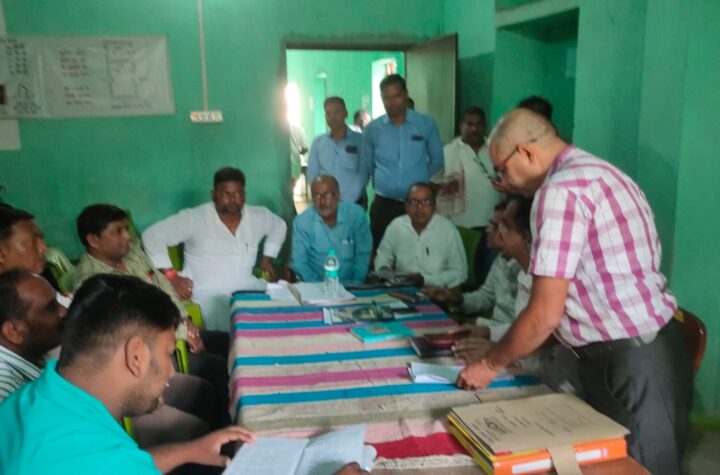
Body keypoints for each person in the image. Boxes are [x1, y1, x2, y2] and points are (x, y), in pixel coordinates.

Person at [457, 108, 693, 475]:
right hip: (636, 353)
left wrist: (490, 364)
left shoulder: (559, 192)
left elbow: (545, 312)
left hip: (629, 363)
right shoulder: (602, 172)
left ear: (527, 152)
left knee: (637, 467)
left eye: (502, 170)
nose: (503, 182)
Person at [0, 273, 369, 475]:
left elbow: (124, 462)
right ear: (135, 356)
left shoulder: (28, 401)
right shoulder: (93, 462)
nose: (171, 371)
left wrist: (185, 450)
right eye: (166, 355)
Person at [0, 207, 214, 449]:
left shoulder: (38, 286)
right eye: (32, 241)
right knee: (193, 427)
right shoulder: (8, 391)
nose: (43, 248)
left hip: (110, 382)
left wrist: (182, 320)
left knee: (203, 391)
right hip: (99, 403)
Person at [73, 204, 231, 430]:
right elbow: (130, 328)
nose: (127, 236)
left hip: (172, 330)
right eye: (117, 231)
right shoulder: (92, 281)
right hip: (147, 354)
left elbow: (163, 284)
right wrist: (182, 332)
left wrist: (184, 319)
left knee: (228, 343)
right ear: (93, 240)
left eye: (126, 229)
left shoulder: (133, 254)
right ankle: (220, 432)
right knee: (214, 369)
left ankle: (223, 422)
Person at [142, 167, 287, 331]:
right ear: (214, 195)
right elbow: (151, 236)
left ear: (244, 195)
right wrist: (172, 276)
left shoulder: (258, 216)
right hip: (205, 293)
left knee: (278, 314)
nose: (233, 199)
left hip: (246, 286)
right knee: (228, 326)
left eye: (238, 194)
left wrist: (267, 258)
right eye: (226, 194)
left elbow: (279, 226)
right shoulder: (194, 218)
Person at [362, 74, 444, 248]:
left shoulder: (426, 124)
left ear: (406, 95)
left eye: (397, 96)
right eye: (387, 97)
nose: (392, 102)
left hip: (417, 206)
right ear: (381, 98)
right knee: (381, 252)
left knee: (416, 251)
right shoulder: (372, 129)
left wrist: (421, 181)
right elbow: (367, 165)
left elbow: (437, 161)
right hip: (384, 205)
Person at [423, 200, 521, 336]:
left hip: (507, 338)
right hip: (493, 332)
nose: (487, 230)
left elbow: (520, 328)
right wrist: (456, 298)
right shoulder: (501, 259)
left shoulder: (525, 269)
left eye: (495, 226)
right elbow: (485, 297)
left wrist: (480, 324)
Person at [432, 106, 502, 284]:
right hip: (459, 225)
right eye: (469, 124)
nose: (474, 129)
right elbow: (433, 184)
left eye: (479, 124)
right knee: (461, 276)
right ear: (461, 126)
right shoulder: (447, 152)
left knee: (487, 277)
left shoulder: (496, 150)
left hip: (491, 225)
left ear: (485, 126)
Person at [375, 183, 466, 288]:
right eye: (414, 202)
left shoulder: (448, 230)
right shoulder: (396, 226)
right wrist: (384, 269)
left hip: (436, 291)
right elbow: (383, 255)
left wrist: (425, 280)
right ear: (406, 206)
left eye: (426, 202)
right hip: (401, 288)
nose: (420, 207)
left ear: (434, 206)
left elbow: (460, 273)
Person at [291, 176, 372, 285]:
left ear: (338, 195)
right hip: (316, 285)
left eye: (327, 195)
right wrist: (320, 288)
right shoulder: (302, 222)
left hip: (352, 285)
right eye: (317, 195)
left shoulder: (355, 216)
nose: (322, 201)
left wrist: (356, 284)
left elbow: (363, 254)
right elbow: (299, 262)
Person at [0, 270, 66, 403]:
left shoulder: (34, 352)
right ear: (13, 331)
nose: (64, 311)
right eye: (51, 308)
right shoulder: (5, 392)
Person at [307, 97, 370, 207]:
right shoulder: (318, 143)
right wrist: (325, 198)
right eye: (328, 113)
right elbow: (312, 175)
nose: (332, 117)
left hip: (354, 203)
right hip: (325, 205)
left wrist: (343, 200)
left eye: (336, 112)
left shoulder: (360, 141)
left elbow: (364, 174)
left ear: (346, 114)